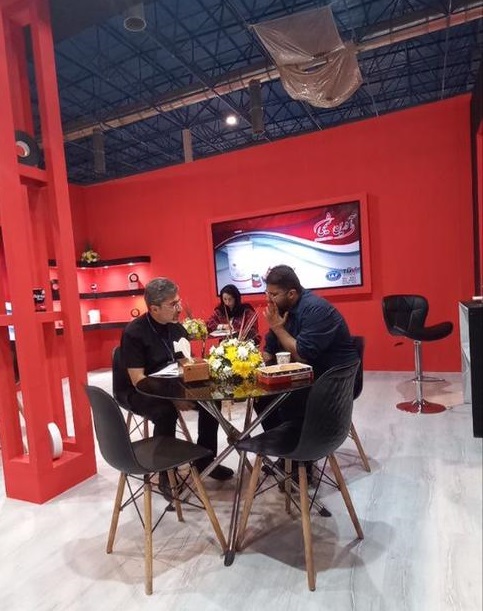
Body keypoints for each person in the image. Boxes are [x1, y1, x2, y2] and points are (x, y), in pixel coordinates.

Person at [119, 277, 234, 494]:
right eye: (173, 304)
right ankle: (166, 472)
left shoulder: (177, 329)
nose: (179, 308)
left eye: (178, 301)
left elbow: (185, 365)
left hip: (170, 384)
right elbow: (137, 379)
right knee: (166, 412)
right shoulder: (135, 332)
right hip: (138, 391)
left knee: (211, 402)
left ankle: (205, 460)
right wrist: (174, 399)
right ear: (154, 308)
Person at [255, 265, 358, 480]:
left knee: (290, 399)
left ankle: (302, 461)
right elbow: (271, 347)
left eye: (273, 294)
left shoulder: (316, 310)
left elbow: (303, 354)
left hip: (335, 380)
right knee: (261, 398)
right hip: (308, 375)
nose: (268, 299)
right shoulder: (282, 309)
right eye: (267, 293)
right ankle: (287, 454)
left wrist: (278, 328)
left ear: (292, 293)